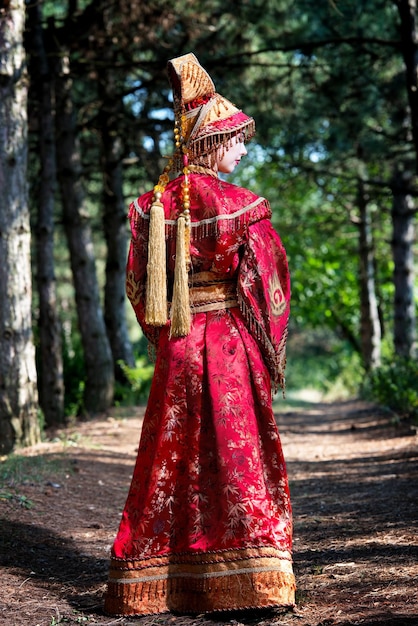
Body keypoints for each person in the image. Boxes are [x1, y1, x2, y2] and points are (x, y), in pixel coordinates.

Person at [104, 52, 295, 617]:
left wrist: (165, 335)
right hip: (230, 346)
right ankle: (250, 579)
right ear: (209, 143)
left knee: (172, 456)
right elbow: (269, 284)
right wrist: (267, 344)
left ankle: (159, 579)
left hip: (178, 348)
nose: (242, 150)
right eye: (234, 140)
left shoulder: (151, 206)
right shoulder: (244, 207)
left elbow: (140, 289)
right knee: (236, 455)